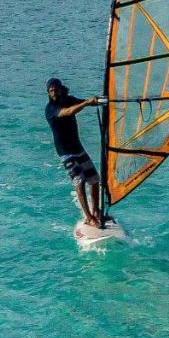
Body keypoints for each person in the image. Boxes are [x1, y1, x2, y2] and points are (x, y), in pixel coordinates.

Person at [45, 77, 104, 227]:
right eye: (50, 91)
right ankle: (89, 218)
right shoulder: (50, 109)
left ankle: (96, 211)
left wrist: (100, 100)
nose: (53, 93)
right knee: (80, 181)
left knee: (94, 179)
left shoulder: (68, 99)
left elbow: (84, 102)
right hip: (66, 152)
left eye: (55, 89)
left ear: (61, 88)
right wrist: (86, 103)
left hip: (77, 147)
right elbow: (68, 112)